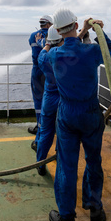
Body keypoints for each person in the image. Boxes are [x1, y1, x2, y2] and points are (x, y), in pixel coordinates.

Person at [46, 8, 111, 221]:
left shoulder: (54, 56)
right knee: (93, 161)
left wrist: (79, 30)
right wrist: (96, 28)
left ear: (57, 31)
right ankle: (95, 213)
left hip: (67, 114)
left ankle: (67, 220)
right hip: (90, 112)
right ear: (76, 26)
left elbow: (50, 54)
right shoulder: (91, 52)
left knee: (66, 166)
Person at [32, 27, 63, 176]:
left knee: (45, 132)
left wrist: (46, 42)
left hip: (49, 98)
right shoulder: (67, 56)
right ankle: (60, 157)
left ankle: (40, 164)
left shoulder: (44, 57)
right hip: (63, 99)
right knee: (62, 132)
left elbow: (43, 50)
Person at [28, 15, 52, 135]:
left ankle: (40, 126)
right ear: (49, 24)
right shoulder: (53, 35)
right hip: (49, 71)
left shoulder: (33, 36)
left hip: (37, 72)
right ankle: (51, 126)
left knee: (38, 100)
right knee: (51, 98)